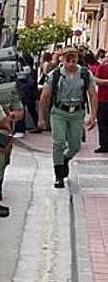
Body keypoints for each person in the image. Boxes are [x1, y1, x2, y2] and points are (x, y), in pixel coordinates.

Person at [38, 46, 96, 188]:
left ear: (77, 59)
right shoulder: (55, 74)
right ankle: (59, 175)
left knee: (75, 146)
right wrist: (41, 118)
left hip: (77, 113)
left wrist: (93, 116)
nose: (71, 63)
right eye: (68, 60)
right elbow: (45, 97)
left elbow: (92, 95)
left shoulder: (85, 74)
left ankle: (64, 160)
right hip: (59, 112)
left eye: (73, 60)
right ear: (62, 59)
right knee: (58, 143)